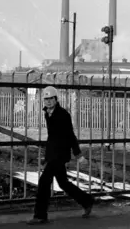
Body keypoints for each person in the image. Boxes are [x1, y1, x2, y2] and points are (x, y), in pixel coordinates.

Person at [28, 86, 94, 225]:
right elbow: (52, 137)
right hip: (53, 154)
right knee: (63, 183)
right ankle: (87, 201)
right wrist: (47, 156)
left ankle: (40, 215)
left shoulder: (63, 115)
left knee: (44, 182)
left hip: (60, 155)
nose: (48, 101)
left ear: (56, 99)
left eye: (51, 99)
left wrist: (78, 154)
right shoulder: (47, 113)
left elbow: (70, 135)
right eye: (46, 99)